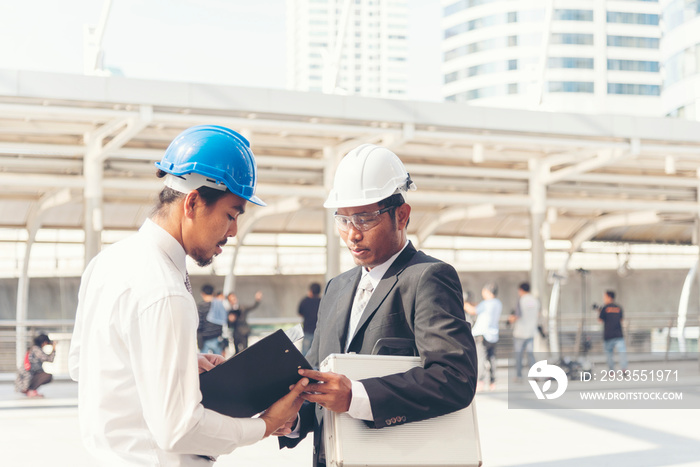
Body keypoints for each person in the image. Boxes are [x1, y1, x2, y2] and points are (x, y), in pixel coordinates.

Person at [68, 125, 308, 466]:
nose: (233, 231)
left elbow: (83, 365)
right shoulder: (165, 290)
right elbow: (178, 430)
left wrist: (173, 365)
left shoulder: (107, 262)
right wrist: (264, 425)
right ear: (193, 202)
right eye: (231, 214)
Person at [279, 144, 477, 466]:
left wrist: (356, 396)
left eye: (365, 219)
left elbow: (455, 378)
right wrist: (290, 420)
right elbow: (319, 382)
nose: (352, 234)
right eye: (343, 220)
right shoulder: (336, 288)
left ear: (402, 215)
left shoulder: (428, 278)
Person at [464, 282, 502, 391]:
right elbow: (479, 307)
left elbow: (473, 310)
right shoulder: (497, 303)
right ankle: (492, 382)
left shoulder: (486, 303)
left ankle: (480, 381)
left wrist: (464, 304)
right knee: (492, 359)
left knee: (480, 358)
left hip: (482, 334)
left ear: (488, 292)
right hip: (493, 335)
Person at [508, 282, 540, 382]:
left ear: (521, 290)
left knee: (519, 355)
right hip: (531, 332)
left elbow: (517, 315)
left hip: (520, 332)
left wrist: (510, 320)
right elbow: (538, 315)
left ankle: (519, 376)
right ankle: (534, 374)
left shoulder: (521, 300)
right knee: (530, 354)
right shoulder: (535, 300)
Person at [15, 333, 56, 398]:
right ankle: (30, 391)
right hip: (26, 379)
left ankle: (31, 391)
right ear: (44, 342)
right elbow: (50, 359)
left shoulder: (33, 348)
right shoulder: (36, 349)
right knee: (47, 376)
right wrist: (54, 348)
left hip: (26, 378)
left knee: (43, 374)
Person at [598, 290, 628, 371]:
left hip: (608, 335)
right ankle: (624, 368)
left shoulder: (605, 308)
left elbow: (600, 320)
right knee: (622, 352)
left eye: (605, 297)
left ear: (609, 297)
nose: (604, 298)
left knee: (609, 354)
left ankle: (611, 371)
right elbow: (621, 319)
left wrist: (599, 312)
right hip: (618, 334)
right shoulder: (618, 307)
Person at [197, 284, 227, 355]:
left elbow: (199, 324)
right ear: (213, 293)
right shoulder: (219, 305)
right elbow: (223, 322)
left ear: (203, 294)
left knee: (204, 363)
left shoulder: (200, 306)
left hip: (205, 339)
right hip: (217, 338)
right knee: (219, 362)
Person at [298, 282, 322, 355]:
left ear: (310, 290)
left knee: (305, 354)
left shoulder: (305, 301)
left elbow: (300, 313)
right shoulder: (321, 301)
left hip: (307, 331)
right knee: (317, 354)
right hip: (318, 331)